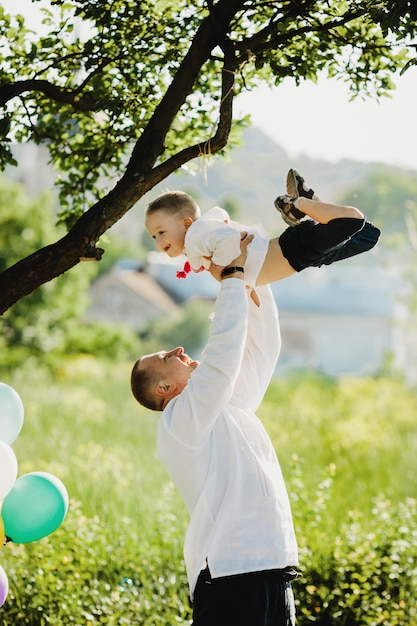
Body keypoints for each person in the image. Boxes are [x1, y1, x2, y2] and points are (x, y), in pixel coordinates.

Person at [131, 233, 301, 625]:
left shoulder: (225, 405)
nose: (176, 350)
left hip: (272, 566)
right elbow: (222, 356)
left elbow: (262, 349)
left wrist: (253, 275)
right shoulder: (179, 421)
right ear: (164, 389)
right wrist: (231, 277)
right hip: (231, 576)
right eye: (163, 357)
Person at [144, 169, 380, 296]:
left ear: (186, 223)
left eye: (161, 232)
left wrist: (226, 276)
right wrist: (244, 287)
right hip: (301, 258)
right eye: (154, 236)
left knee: (353, 220)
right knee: (368, 236)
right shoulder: (201, 241)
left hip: (294, 251)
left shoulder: (196, 236)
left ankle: (300, 205)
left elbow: (230, 242)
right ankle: (309, 205)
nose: (158, 241)